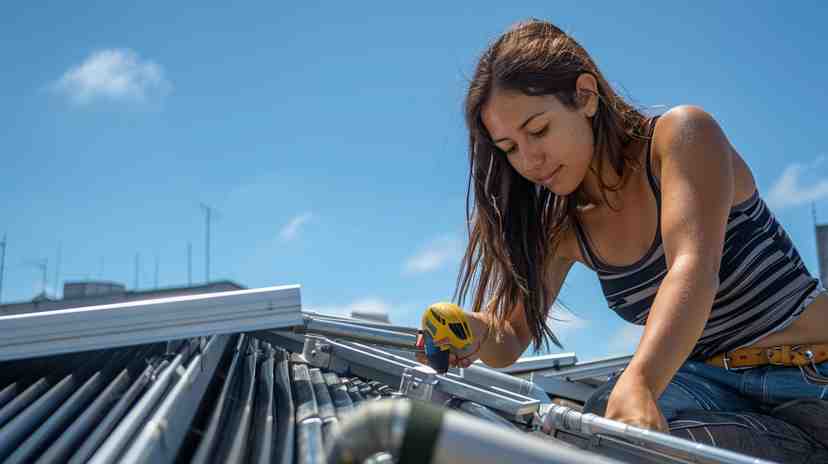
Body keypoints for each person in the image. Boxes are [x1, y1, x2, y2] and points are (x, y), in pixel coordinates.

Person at [422, 18, 828, 438]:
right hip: (712, 387)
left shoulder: (682, 137)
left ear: (586, 96)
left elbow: (692, 269)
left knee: (626, 406)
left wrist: (642, 381)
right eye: (509, 149)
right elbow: (508, 338)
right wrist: (472, 329)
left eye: (538, 130)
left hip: (811, 376)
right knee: (598, 422)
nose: (529, 161)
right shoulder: (564, 228)